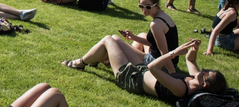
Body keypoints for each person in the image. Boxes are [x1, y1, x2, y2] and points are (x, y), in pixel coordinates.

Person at [62, 36, 226, 104]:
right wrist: (194, 48)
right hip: (141, 71)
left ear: (204, 85)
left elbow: (153, 67)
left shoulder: (182, 88)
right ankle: (96, 59)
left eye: (206, 73)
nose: (203, 70)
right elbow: (190, 59)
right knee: (115, 38)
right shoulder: (195, 78)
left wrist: (174, 52)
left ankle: (79, 63)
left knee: (107, 41)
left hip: (131, 78)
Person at [114, 0, 180, 73]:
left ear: (156, 5)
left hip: (158, 64)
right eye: (141, 6)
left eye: (148, 7)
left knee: (115, 40)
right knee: (142, 35)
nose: (144, 10)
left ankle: (111, 59)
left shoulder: (156, 24)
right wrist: (133, 37)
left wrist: (173, 75)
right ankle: (123, 57)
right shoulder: (164, 16)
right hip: (170, 62)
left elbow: (164, 52)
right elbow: (154, 42)